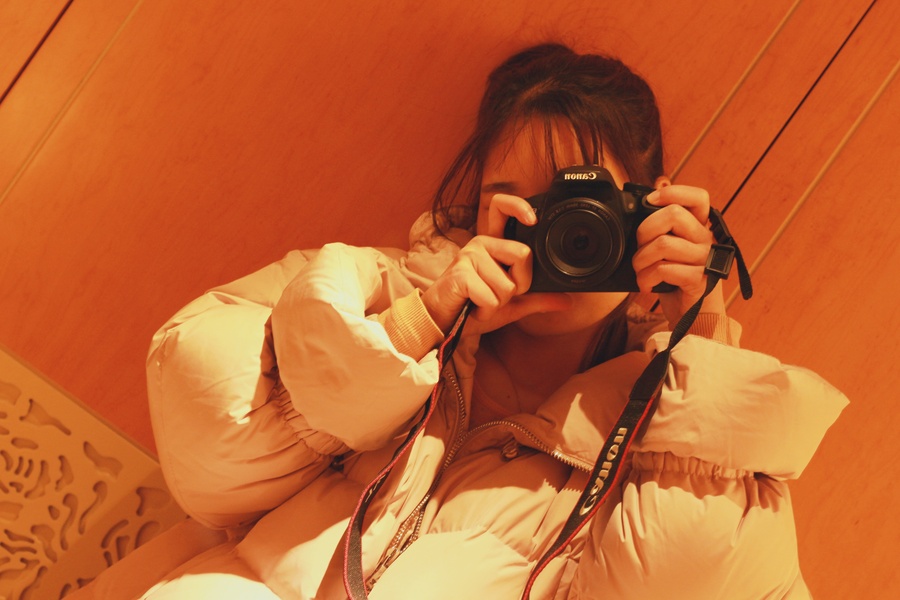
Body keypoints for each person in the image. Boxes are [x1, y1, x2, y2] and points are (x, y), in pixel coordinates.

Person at [77, 43, 847, 599]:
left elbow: (690, 578)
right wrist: (417, 324)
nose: (553, 239)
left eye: (579, 209)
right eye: (518, 206)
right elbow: (207, 446)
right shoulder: (375, 299)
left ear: (648, 212)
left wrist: (699, 335)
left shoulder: (668, 435)